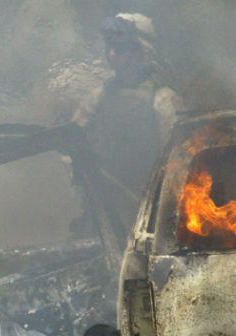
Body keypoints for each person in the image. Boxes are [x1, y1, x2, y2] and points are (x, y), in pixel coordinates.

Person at [69, 13, 183, 271]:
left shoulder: (163, 101)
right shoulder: (99, 98)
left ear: (141, 51)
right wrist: (84, 186)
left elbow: (178, 164)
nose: (112, 55)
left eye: (120, 49)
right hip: (103, 215)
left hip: (146, 218)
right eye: (109, 48)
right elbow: (71, 144)